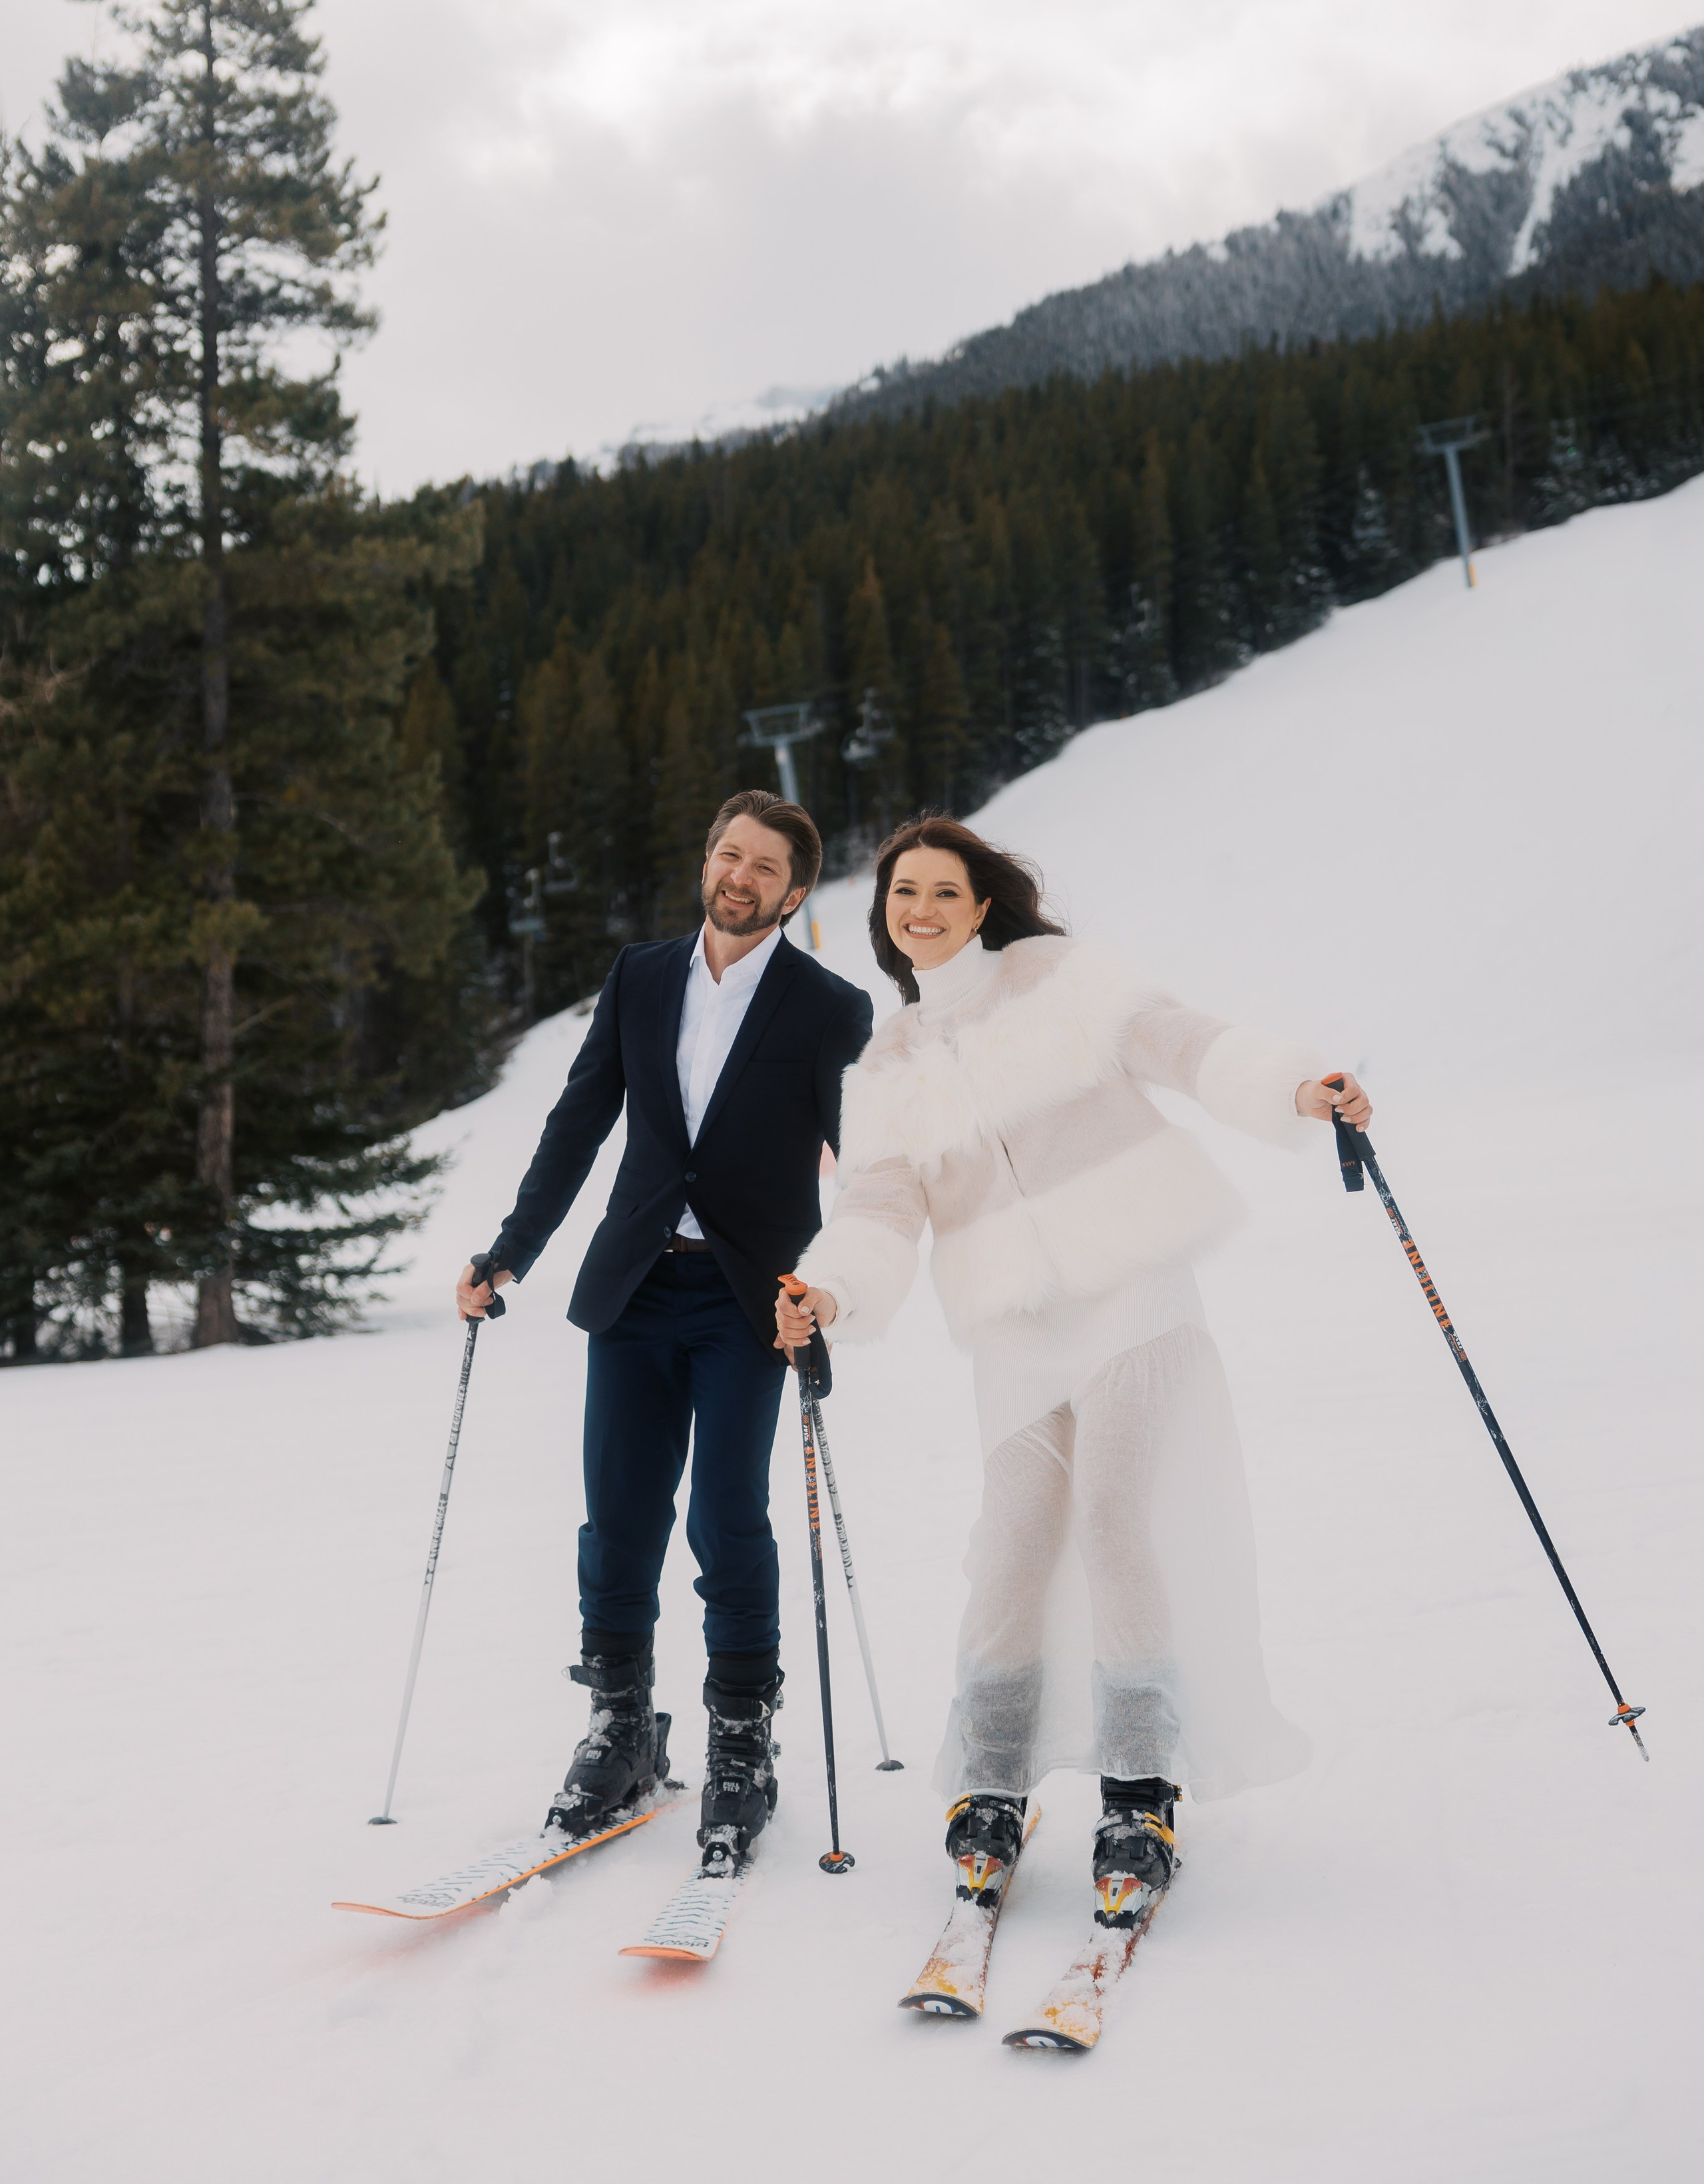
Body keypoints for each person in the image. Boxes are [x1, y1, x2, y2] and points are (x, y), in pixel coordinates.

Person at [777, 815, 1370, 1932]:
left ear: (982, 904)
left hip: (1131, 1290)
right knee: (1009, 1542)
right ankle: (992, 1781)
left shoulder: (1056, 980)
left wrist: (1297, 1084)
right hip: (1016, 1327)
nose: (922, 909)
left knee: (1110, 1517)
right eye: (905, 892)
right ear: (885, 914)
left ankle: (1139, 1785)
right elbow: (877, 1209)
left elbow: (1180, 1042)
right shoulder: (889, 1063)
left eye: (944, 890)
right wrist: (831, 1291)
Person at [460, 791, 872, 1873]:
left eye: (763, 864)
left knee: (729, 1517)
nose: (738, 875)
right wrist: (510, 1250)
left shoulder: (830, 1008)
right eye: (726, 853)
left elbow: (867, 1176)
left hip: (750, 1298)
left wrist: (831, 1290)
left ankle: (742, 1739)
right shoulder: (641, 975)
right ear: (709, 862)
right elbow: (578, 1122)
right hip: (637, 1285)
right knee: (621, 1514)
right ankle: (624, 1726)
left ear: (793, 890)